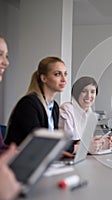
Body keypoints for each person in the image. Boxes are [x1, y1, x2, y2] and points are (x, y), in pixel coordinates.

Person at [5, 56, 67, 146]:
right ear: (44, 78)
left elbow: (53, 141)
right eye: (57, 74)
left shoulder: (54, 107)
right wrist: (73, 148)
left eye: (65, 74)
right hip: (20, 158)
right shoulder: (29, 104)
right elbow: (38, 143)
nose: (64, 80)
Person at [59, 76, 112, 154]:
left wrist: (102, 142)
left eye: (92, 92)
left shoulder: (89, 112)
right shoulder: (67, 110)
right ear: (77, 93)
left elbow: (86, 143)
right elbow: (68, 145)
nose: (89, 96)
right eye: (84, 91)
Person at [0, 34, 21, 200]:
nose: (6, 63)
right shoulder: (29, 103)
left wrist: (21, 153)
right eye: (0, 55)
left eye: (6, 56)